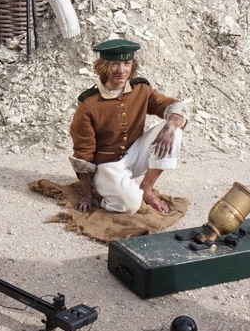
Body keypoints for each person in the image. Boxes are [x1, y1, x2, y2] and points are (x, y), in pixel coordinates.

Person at [69, 39, 190, 215]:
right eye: (114, 64)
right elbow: (83, 152)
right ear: (103, 66)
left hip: (133, 157)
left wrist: (171, 125)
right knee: (132, 205)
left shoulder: (141, 89)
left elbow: (172, 106)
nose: (121, 70)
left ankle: (146, 189)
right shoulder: (89, 103)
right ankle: (112, 193)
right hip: (106, 167)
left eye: (127, 63)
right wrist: (88, 195)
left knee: (174, 129)